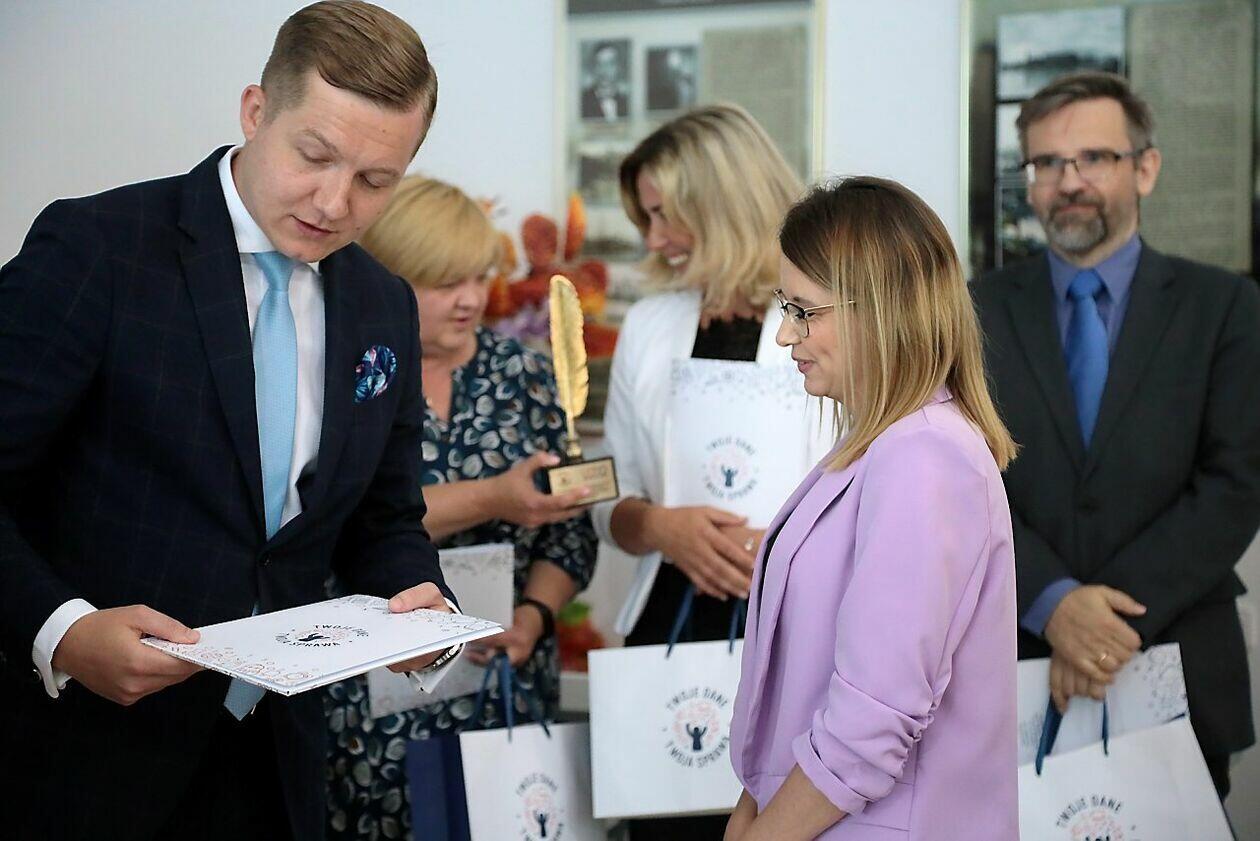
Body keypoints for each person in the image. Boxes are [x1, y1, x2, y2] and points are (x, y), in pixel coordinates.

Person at [0, 4, 460, 840]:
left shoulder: (383, 302)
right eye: (314, 156)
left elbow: (384, 516)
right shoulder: (100, 248)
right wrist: (61, 631)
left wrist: (422, 602)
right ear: (255, 111)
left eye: (375, 181)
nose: (334, 202)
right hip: (83, 752)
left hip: (277, 759)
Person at [972, 71, 1260, 798]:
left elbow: (1237, 483)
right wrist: (1052, 602)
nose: (1069, 181)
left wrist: (1094, 621)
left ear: (1146, 168)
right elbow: (962, 479)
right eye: (1047, 163)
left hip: (1176, 657)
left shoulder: (1226, 305)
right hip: (1013, 665)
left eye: (1094, 158)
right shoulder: (972, 311)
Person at [726, 177, 1019, 841]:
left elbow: (871, 718)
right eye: (785, 307)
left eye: (804, 311)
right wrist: (750, 808)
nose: (785, 334)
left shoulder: (924, 454)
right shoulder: (883, 443)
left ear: (880, 309)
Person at [325, 176, 598, 839]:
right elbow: (336, 521)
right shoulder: (348, 375)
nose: (472, 299)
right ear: (389, 277)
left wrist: (534, 617)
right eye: (447, 282)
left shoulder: (526, 375)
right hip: (371, 692)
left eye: (479, 277)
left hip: (502, 682)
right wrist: (495, 497)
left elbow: (571, 532)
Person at [591, 103, 831, 840]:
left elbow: (881, 488)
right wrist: (660, 527)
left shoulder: (834, 322)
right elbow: (608, 495)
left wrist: (782, 548)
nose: (653, 239)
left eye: (666, 215)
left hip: (799, 639)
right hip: (671, 629)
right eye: (645, 218)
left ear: (726, 204)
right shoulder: (649, 325)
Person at [580, 40, 629, 122]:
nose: (605, 70)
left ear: (618, 67)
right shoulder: (582, 102)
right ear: (593, 68)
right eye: (599, 64)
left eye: (610, 64)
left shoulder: (627, 102)